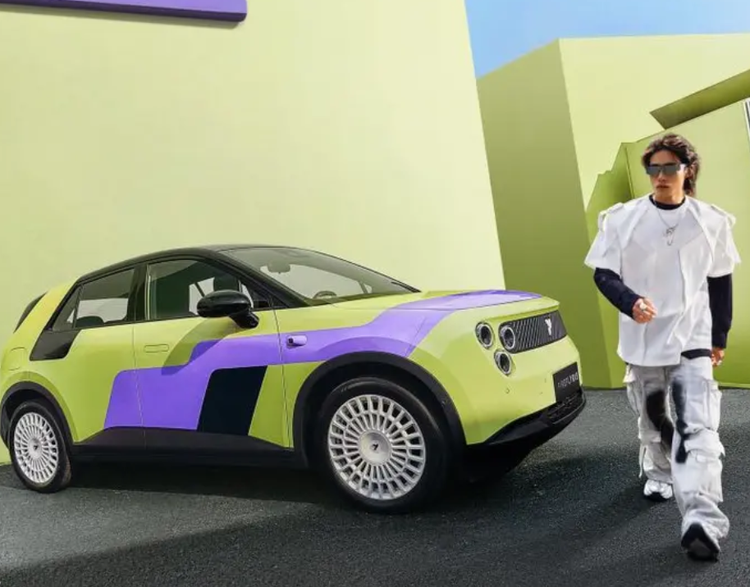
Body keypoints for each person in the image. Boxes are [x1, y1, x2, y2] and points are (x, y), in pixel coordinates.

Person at [583, 132, 740, 562]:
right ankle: (660, 469)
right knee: (654, 419)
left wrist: (719, 336)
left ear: (688, 170)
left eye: (670, 167)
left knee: (698, 428)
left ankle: (702, 520)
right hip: (644, 338)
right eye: (653, 168)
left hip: (693, 337)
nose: (660, 175)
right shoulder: (623, 220)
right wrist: (630, 301)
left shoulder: (710, 222)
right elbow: (603, 273)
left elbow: (720, 282)